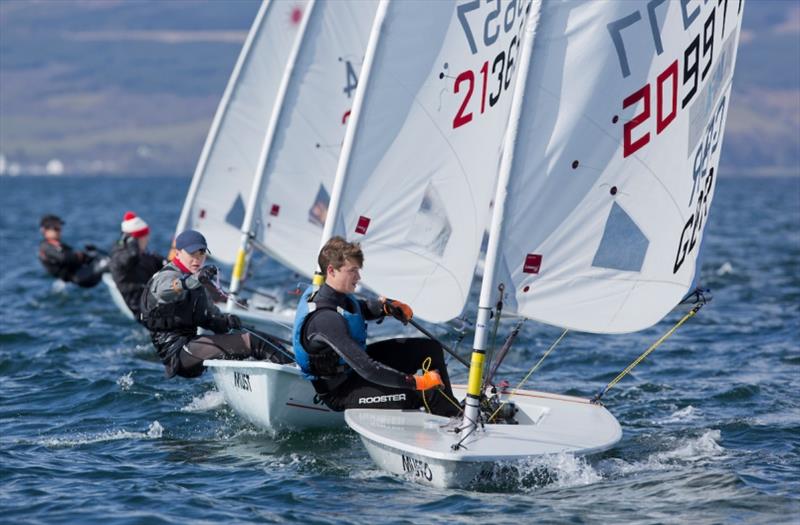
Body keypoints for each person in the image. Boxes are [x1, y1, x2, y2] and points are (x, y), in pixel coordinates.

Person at [292, 236, 460, 417]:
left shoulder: (337, 296)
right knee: (427, 390)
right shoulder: (325, 319)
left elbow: (359, 308)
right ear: (331, 271)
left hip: (353, 371)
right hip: (342, 390)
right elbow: (369, 369)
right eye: (353, 271)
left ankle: (449, 406)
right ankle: (452, 419)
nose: (358, 277)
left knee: (430, 349)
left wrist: (385, 308)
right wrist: (416, 382)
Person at [140, 229, 291, 379]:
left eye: (201, 254)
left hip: (192, 346)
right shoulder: (167, 276)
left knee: (259, 337)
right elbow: (167, 290)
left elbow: (210, 317)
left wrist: (225, 321)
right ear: (178, 253)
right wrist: (195, 279)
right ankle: (293, 375)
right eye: (192, 254)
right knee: (253, 342)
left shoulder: (197, 284)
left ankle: (294, 367)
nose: (197, 259)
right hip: (178, 353)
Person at [109, 211, 167, 320]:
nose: (148, 239)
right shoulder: (120, 257)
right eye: (145, 236)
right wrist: (132, 242)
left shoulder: (146, 254)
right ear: (135, 239)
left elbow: (162, 262)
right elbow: (130, 259)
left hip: (158, 301)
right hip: (144, 312)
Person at [38, 214, 108, 288]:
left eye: (59, 228)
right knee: (107, 262)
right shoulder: (46, 247)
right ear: (44, 230)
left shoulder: (58, 245)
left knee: (100, 255)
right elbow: (64, 258)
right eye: (56, 229)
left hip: (82, 272)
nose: (59, 231)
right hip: (79, 277)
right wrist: (79, 256)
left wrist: (87, 255)